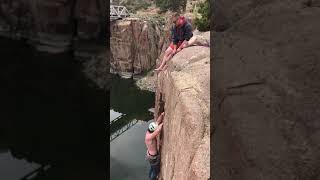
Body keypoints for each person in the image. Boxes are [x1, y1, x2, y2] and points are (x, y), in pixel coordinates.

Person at [145, 112, 165, 180]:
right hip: (153, 157)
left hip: (151, 155)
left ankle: (150, 177)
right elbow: (157, 131)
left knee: (152, 168)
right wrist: (163, 124)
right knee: (156, 171)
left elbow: (157, 122)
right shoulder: (149, 137)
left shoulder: (149, 131)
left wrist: (162, 115)